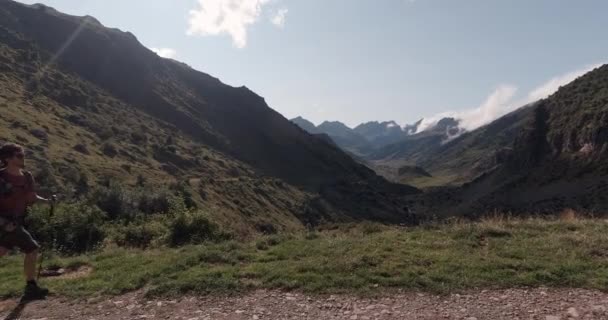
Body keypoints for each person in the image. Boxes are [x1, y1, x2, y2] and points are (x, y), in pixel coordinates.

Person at [0, 143, 54, 300]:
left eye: (23, 155)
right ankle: (31, 288)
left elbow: (31, 197)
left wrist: (47, 201)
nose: (23, 158)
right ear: (7, 158)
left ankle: (31, 288)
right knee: (32, 249)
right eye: (19, 155)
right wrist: (3, 223)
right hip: (6, 223)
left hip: (16, 222)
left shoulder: (27, 177)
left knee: (2, 251)